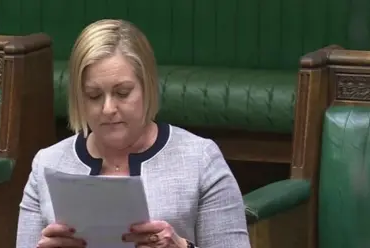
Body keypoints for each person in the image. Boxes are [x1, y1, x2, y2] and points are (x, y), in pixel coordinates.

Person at [16, 19, 251, 248]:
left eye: (123, 92)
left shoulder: (200, 159)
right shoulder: (47, 164)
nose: (108, 109)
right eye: (94, 95)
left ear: (146, 87)